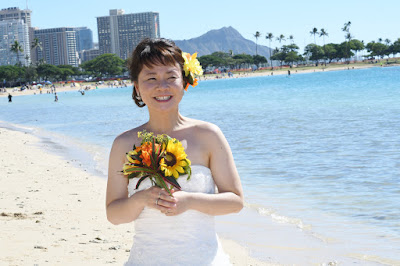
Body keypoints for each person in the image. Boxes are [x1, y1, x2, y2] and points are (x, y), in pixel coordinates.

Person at [106, 38, 243, 266]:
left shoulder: (208, 135)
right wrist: (141, 199)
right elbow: (114, 214)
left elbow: (235, 201)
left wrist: (190, 200)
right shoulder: (123, 144)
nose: (162, 86)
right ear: (137, 87)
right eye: (151, 78)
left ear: (184, 82)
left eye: (171, 77)